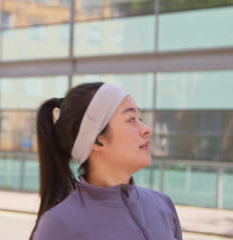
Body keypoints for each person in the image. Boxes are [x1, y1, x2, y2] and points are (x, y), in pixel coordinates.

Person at [29, 82, 183, 240]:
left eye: (140, 118)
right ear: (96, 140)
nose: (146, 129)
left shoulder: (162, 205)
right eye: (131, 119)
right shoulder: (59, 224)